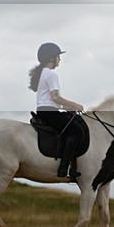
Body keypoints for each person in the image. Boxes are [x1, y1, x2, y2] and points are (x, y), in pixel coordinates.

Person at [28, 42, 85, 179]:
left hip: (45, 110)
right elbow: (56, 97)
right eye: (58, 56)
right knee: (76, 131)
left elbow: (51, 99)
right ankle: (64, 169)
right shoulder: (51, 75)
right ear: (51, 58)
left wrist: (67, 107)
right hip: (49, 112)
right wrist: (75, 104)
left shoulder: (43, 73)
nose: (60, 59)